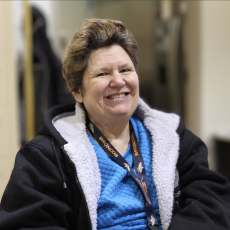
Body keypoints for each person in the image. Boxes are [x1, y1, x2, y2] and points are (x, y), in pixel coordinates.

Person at [0, 18, 230, 230]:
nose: (118, 81)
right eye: (102, 74)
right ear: (77, 91)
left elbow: (212, 201)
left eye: (126, 70)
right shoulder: (46, 158)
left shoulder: (172, 136)